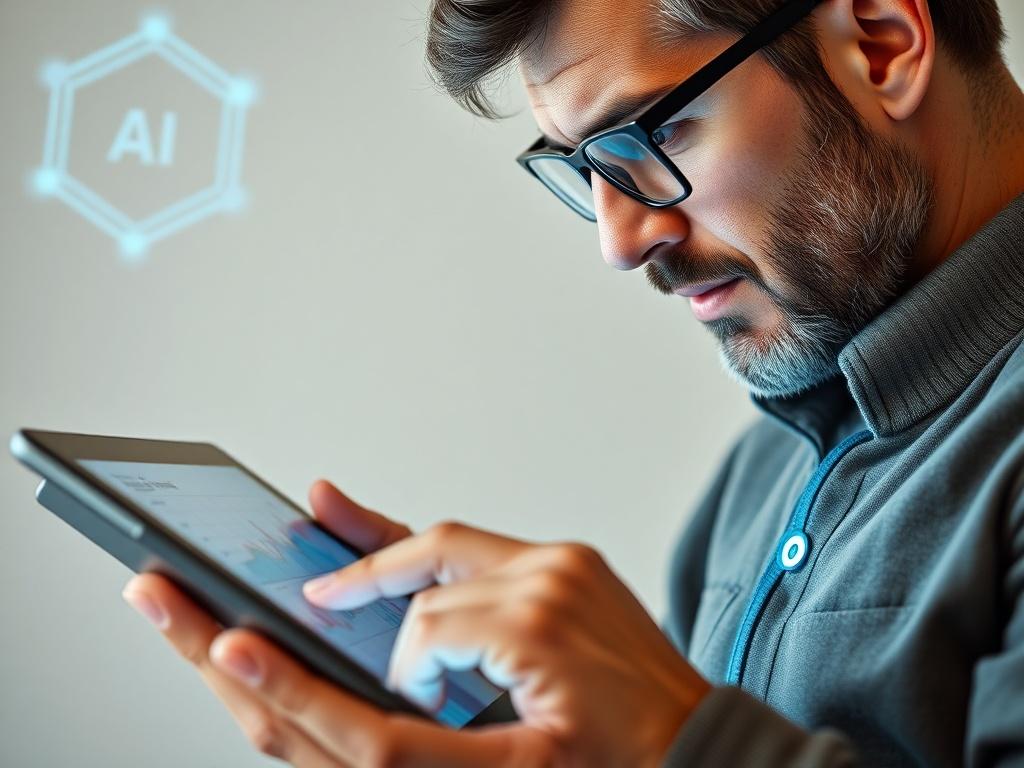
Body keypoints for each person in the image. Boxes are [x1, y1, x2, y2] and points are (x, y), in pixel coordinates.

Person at [121, 0, 1024, 764]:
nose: (620, 242)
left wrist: (676, 735)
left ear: (881, 42)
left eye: (652, 133)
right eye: (583, 168)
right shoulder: (757, 481)